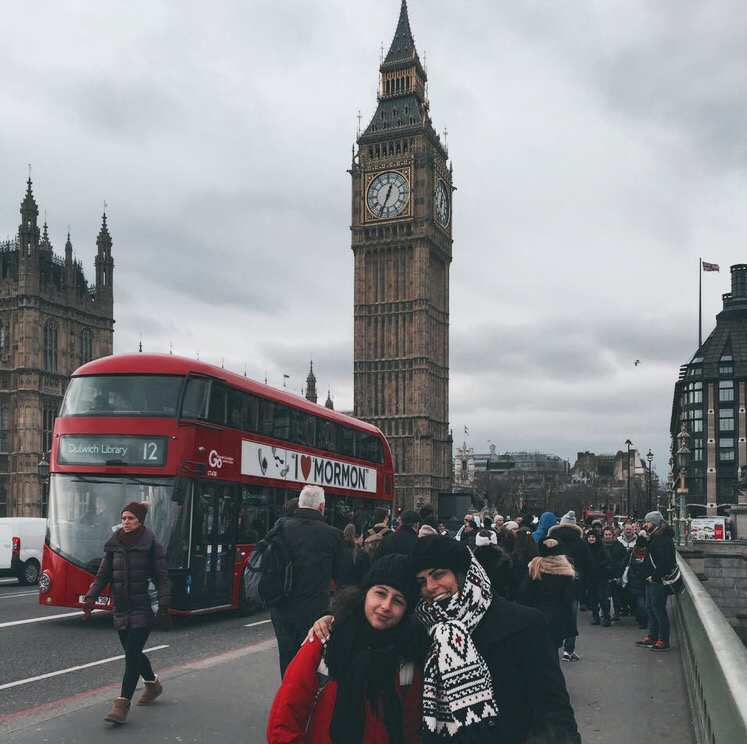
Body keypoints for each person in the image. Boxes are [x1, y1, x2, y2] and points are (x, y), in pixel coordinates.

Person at [409, 536, 581, 743]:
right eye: (422, 582)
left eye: (438, 575)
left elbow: (553, 706)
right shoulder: (422, 629)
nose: (430, 586)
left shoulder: (524, 624)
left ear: (464, 575)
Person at [267, 554, 426, 743]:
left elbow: (411, 730)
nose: (386, 606)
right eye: (380, 593)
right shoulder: (325, 641)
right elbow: (286, 717)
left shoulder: (407, 660)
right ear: (366, 593)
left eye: (398, 601)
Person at [82, 501, 172, 725]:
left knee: (131, 653)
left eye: (131, 518)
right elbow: (103, 574)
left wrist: (163, 606)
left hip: (144, 607)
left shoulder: (152, 544)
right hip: (122, 608)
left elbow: (162, 577)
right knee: (133, 652)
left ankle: (121, 705)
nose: (126, 522)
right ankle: (153, 685)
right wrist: (91, 598)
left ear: (140, 521)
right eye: (123, 518)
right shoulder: (114, 544)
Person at [271, 485, 344, 677]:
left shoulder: (281, 528)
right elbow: (340, 574)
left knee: (287, 660)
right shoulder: (333, 534)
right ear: (322, 507)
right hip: (314, 612)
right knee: (310, 663)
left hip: (282, 608)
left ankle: (288, 692)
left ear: (299, 504)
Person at [519, 537, 577, 654]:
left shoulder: (535, 566)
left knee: (537, 647)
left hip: (536, 610)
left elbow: (524, 592)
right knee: (554, 647)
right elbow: (568, 597)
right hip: (557, 612)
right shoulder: (566, 568)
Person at [635, 510, 676, 652]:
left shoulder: (663, 540)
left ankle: (663, 640)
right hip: (650, 578)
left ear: (656, 523)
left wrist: (655, 577)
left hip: (657, 580)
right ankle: (653, 636)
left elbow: (665, 562)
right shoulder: (654, 537)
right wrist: (642, 536)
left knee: (658, 609)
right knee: (650, 608)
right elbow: (640, 546)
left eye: (648, 522)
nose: (645, 525)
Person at [473, 528, 513, 599]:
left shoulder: (474, 556)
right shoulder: (502, 555)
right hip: (500, 594)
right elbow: (509, 578)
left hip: (480, 594)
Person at [584, 531, 612, 627]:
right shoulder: (585, 548)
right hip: (589, 576)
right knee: (592, 598)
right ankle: (596, 617)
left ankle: (606, 617)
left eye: (593, 537)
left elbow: (608, 558)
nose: (591, 539)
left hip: (601, 575)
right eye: (589, 537)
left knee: (601, 596)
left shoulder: (601, 547)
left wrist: (600, 565)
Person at [603, 526, 628, 620]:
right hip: (604, 573)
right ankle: (606, 613)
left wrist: (620, 571)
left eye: (609, 534)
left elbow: (624, 558)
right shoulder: (601, 545)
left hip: (616, 573)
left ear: (613, 535)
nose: (607, 536)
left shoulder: (619, 545)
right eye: (606, 534)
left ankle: (617, 612)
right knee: (605, 596)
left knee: (616, 595)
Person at [337, 523, 369, 591]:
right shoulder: (362, 555)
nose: (362, 540)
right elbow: (365, 579)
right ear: (357, 538)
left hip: (338, 591)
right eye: (362, 537)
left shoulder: (338, 551)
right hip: (355, 592)